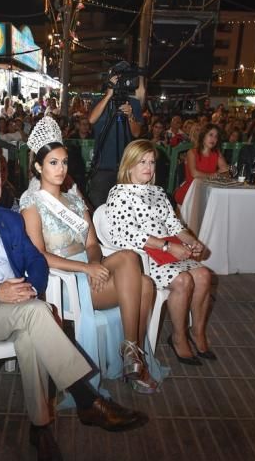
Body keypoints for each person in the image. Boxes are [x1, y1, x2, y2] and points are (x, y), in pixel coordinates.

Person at [0, 148, 148, 461]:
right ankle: (87, 399)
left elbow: (36, 260)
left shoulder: (9, 217)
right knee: (37, 314)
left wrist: (31, 285)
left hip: (21, 303)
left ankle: (41, 429)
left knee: (31, 331)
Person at [20, 117, 161, 393]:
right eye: (52, 162)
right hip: (63, 280)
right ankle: (133, 360)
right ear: (38, 166)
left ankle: (132, 355)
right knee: (142, 283)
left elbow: (92, 244)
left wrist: (96, 265)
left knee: (132, 260)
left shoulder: (73, 198)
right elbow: (39, 255)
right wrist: (86, 270)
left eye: (63, 162)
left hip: (92, 271)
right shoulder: (31, 204)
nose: (60, 169)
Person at [105, 140, 215, 366]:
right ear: (128, 165)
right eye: (142, 162)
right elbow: (125, 234)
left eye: (152, 162)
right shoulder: (119, 193)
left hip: (168, 252)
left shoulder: (157, 192)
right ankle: (178, 336)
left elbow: (174, 225)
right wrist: (166, 246)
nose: (148, 167)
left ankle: (198, 332)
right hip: (141, 257)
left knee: (204, 276)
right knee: (184, 281)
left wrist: (191, 241)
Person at [88, 67, 143, 208]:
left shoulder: (134, 104)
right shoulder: (100, 101)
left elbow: (136, 133)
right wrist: (108, 95)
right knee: (99, 208)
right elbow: (91, 120)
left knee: (124, 209)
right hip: (103, 167)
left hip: (126, 168)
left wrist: (130, 116)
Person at [174, 124, 228, 205]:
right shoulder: (191, 152)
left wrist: (220, 175)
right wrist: (214, 175)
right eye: (211, 135)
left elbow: (226, 172)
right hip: (191, 191)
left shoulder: (217, 154)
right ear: (203, 136)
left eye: (216, 137)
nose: (213, 139)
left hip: (209, 191)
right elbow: (194, 173)